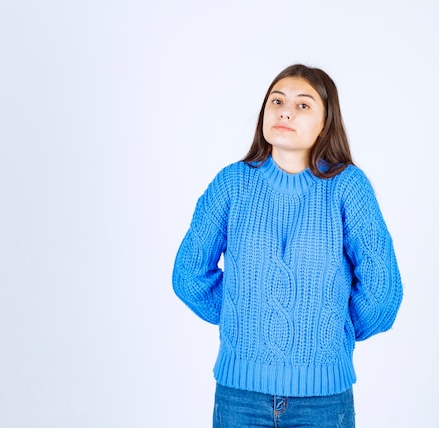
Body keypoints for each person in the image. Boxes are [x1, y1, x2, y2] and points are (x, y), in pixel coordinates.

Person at [173, 64, 403, 428]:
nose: (285, 111)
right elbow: (188, 275)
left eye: (303, 105)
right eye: (276, 101)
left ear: (325, 124)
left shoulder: (348, 188)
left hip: (323, 401)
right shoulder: (231, 184)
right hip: (239, 397)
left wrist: (330, 331)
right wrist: (245, 315)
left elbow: (383, 292)